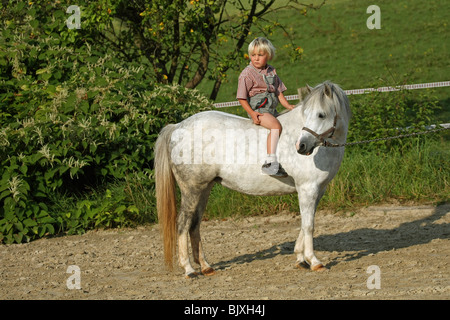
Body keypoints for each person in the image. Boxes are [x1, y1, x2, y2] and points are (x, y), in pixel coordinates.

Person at [236, 37, 295, 177]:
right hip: (259, 110)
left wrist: (288, 106)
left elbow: (278, 91)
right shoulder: (247, 74)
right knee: (276, 126)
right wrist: (252, 113)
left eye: (260, 55)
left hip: (272, 109)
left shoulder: (271, 72)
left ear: (268, 55)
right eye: (253, 55)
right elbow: (241, 97)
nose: (256, 58)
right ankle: (270, 163)